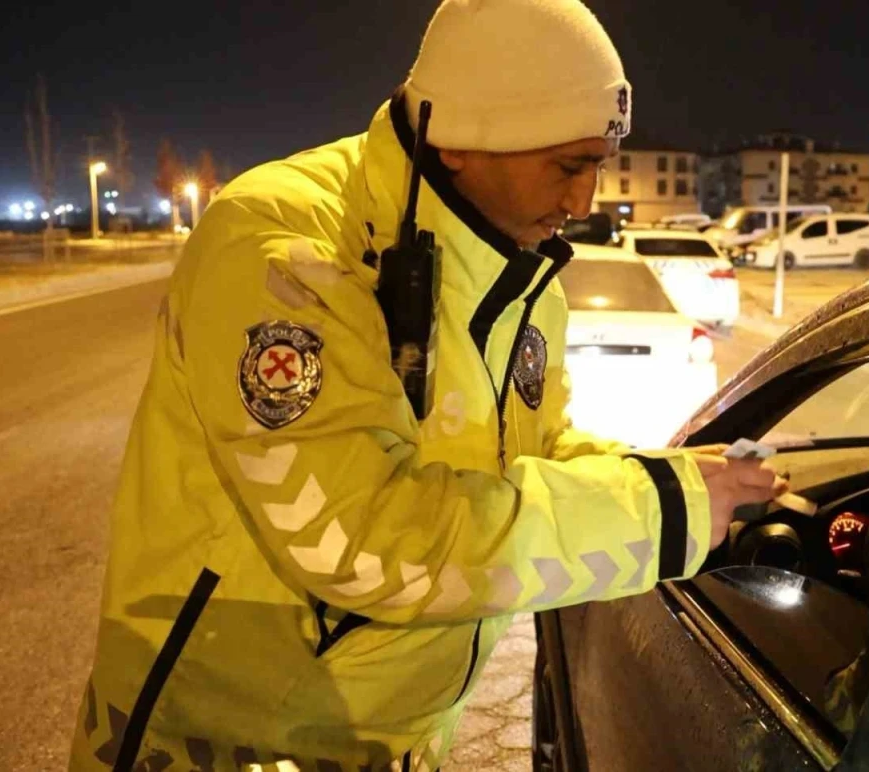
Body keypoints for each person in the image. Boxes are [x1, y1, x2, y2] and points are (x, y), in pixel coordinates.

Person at [69, 1, 782, 769]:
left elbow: (535, 453)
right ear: (462, 142)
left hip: (400, 743)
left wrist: (687, 486)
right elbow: (360, 537)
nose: (585, 202)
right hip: (217, 745)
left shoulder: (521, 269)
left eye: (598, 165)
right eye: (569, 166)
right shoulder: (285, 249)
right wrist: (655, 512)